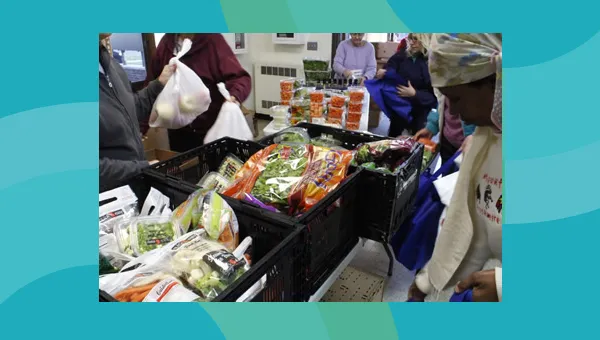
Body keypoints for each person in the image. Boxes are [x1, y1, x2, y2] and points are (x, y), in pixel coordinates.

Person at [408, 33, 502, 302]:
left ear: (497, 81)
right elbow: (462, 223)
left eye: (458, 99)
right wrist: (427, 281)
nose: (457, 113)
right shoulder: (487, 136)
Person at [145, 34, 252, 152]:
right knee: (187, 166)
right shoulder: (167, 43)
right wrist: (142, 125)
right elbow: (151, 87)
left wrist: (234, 96)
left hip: (211, 129)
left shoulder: (212, 41)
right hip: (178, 132)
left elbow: (240, 78)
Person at [99, 33, 175, 190]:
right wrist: (140, 168)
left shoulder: (110, 65)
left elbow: (129, 111)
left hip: (135, 190)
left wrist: (159, 84)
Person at [376, 33, 437, 137]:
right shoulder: (403, 54)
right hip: (399, 108)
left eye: (416, 39)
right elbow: (392, 65)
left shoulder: (431, 63)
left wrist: (415, 94)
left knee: (416, 143)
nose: (412, 42)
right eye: (410, 39)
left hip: (420, 112)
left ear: (425, 41)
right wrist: (385, 71)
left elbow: (435, 96)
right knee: (393, 142)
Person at [414, 92, 476, 163]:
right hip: (446, 143)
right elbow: (441, 104)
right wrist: (432, 126)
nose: (451, 111)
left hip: (467, 147)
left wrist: (473, 135)